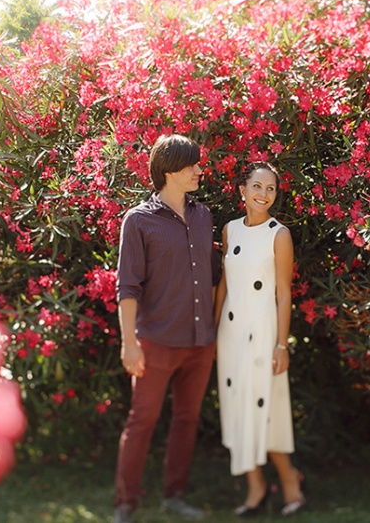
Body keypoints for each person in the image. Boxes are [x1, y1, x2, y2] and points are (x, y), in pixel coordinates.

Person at [113, 134, 217, 523]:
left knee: (187, 420)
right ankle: (125, 504)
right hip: (155, 342)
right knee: (142, 421)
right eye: (192, 165)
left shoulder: (204, 216)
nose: (199, 170)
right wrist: (129, 343)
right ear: (170, 171)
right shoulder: (138, 220)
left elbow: (212, 278)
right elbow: (127, 287)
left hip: (200, 343)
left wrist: (213, 331)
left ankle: (174, 495)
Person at [214, 161, 305, 517]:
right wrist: (212, 329)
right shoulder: (230, 230)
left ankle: (290, 480)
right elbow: (224, 283)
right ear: (242, 190)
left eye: (270, 189)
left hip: (264, 332)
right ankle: (255, 487)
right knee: (236, 409)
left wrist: (281, 344)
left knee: (266, 410)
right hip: (230, 333)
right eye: (257, 186)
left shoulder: (278, 235)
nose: (263, 194)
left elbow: (284, 293)